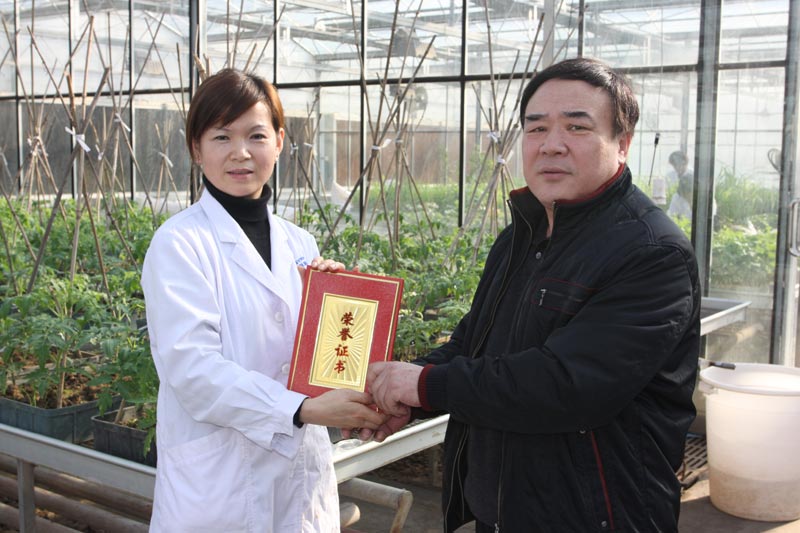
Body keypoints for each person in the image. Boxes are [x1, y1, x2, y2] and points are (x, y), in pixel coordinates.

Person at [367, 57, 701, 532]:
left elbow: (566, 385)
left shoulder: (650, 252)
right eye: (537, 128)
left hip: (595, 518)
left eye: (576, 127)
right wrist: (401, 390)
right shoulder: (520, 238)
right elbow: (472, 344)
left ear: (622, 144)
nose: (551, 145)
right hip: (504, 511)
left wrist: (422, 385)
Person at [141, 68, 386, 532]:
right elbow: (193, 370)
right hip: (220, 485)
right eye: (221, 137)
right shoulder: (179, 244)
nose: (241, 152)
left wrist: (334, 303)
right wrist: (298, 409)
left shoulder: (300, 243)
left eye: (256, 135)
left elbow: (317, 360)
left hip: (299, 479)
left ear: (279, 141)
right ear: (196, 149)